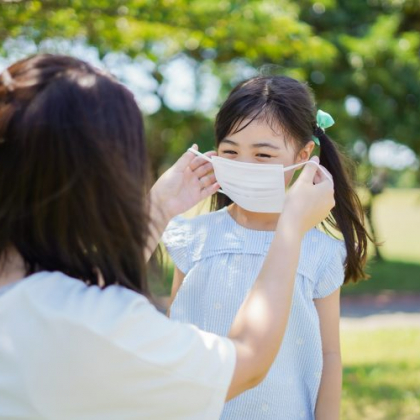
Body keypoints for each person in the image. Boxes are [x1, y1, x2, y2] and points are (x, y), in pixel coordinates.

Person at [0, 55, 334, 420]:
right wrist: (290, 231)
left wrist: (157, 209)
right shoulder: (91, 321)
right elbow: (247, 360)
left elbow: (67, 297)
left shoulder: (36, 300)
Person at [163, 76, 371, 420]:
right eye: (230, 151)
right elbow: (175, 331)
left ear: (304, 155)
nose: (244, 165)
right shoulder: (192, 236)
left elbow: (330, 354)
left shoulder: (320, 251)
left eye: (262, 154)